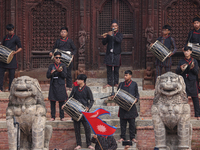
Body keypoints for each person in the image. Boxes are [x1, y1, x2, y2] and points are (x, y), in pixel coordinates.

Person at [67, 74, 94, 150]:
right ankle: (79, 144)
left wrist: (88, 107)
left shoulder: (87, 89)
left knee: (87, 129)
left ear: (82, 81)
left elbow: (92, 100)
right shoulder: (75, 89)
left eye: (78, 79)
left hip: (85, 112)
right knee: (77, 129)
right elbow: (70, 98)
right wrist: (66, 105)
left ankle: (89, 144)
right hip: (76, 111)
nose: (77, 81)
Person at [49, 27, 77, 91]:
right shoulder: (58, 41)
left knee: (68, 73)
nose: (63, 33)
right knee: (60, 72)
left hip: (67, 59)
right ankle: (60, 85)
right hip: (60, 59)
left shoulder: (70, 41)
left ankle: (69, 86)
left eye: (64, 32)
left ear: (67, 33)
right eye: (62, 32)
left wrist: (72, 55)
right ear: (60, 33)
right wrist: (51, 52)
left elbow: (75, 49)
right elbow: (54, 48)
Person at [176, 46, 200, 120]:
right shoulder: (181, 61)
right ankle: (182, 115)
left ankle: (198, 115)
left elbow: (196, 72)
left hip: (193, 82)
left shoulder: (194, 61)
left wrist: (192, 68)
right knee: (183, 99)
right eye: (185, 51)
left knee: (195, 99)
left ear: (191, 52)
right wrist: (181, 68)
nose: (186, 52)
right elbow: (177, 72)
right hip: (184, 81)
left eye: (188, 51)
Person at [115, 70, 139, 143]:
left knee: (132, 124)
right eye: (124, 75)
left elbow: (137, 94)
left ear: (130, 76)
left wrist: (136, 100)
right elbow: (118, 93)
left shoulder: (134, 84)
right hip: (123, 107)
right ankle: (122, 137)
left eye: (127, 75)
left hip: (131, 107)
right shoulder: (121, 84)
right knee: (123, 124)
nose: (125, 77)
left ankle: (132, 137)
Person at [0, 24, 22, 92]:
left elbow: (20, 48)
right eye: (9, 31)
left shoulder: (16, 38)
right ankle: (1, 88)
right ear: (7, 30)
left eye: (12, 30)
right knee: (1, 74)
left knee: (12, 75)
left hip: (12, 58)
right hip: (3, 59)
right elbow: (2, 46)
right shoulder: (5, 37)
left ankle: (10, 89)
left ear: (13, 29)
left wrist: (14, 53)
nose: (11, 32)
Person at [46, 51, 68, 121]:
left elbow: (65, 76)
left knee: (61, 101)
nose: (58, 59)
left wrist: (60, 72)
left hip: (60, 84)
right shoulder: (51, 66)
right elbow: (47, 76)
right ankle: (53, 116)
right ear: (54, 58)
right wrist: (51, 73)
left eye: (59, 58)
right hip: (53, 84)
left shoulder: (63, 66)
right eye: (57, 58)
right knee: (52, 101)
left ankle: (62, 117)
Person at [102, 19, 123, 88]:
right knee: (109, 69)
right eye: (113, 26)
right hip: (109, 53)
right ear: (111, 27)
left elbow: (119, 40)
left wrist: (113, 35)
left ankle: (116, 82)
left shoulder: (119, 34)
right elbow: (104, 43)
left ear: (118, 27)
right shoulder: (109, 34)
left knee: (116, 69)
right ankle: (109, 83)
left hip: (116, 53)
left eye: (116, 26)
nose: (114, 27)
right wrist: (104, 38)